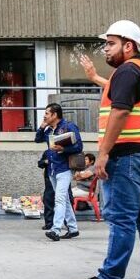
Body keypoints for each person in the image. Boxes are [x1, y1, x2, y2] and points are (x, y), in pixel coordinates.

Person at [71, 21, 140, 279]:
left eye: (111, 43)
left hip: (127, 157)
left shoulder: (127, 70)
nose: (106, 49)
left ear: (129, 45)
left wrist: (103, 153)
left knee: (122, 220)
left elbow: (120, 113)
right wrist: (95, 78)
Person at [36, 103, 83, 241]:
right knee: (65, 200)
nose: (44, 116)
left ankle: (55, 230)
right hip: (52, 169)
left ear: (55, 115)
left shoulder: (68, 126)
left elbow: (79, 146)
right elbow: (37, 139)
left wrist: (62, 149)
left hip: (64, 168)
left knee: (60, 199)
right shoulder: (49, 130)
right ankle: (73, 228)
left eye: (47, 113)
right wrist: (42, 126)